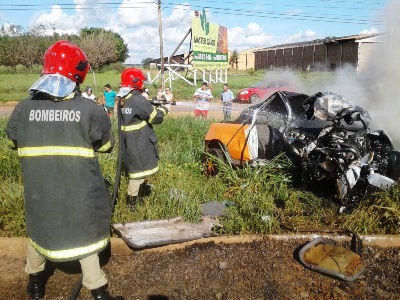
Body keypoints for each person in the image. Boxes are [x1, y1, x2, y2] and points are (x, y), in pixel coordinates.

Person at [5, 40, 122, 300]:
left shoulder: (23, 109)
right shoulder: (89, 110)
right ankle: (98, 292)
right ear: (78, 73)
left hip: (40, 192)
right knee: (85, 235)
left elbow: (12, 142)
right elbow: (105, 147)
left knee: (39, 230)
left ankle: (35, 283)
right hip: (78, 193)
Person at [117, 68, 168, 211]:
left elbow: (137, 112)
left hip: (129, 142)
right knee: (138, 174)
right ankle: (131, 202)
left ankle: (137, 195)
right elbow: (155, 118)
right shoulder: (139, 100)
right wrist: (164, 109)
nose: (144, 84)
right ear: (136, 82)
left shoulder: (123, 98)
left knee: (136, 169)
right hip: (139, 142)